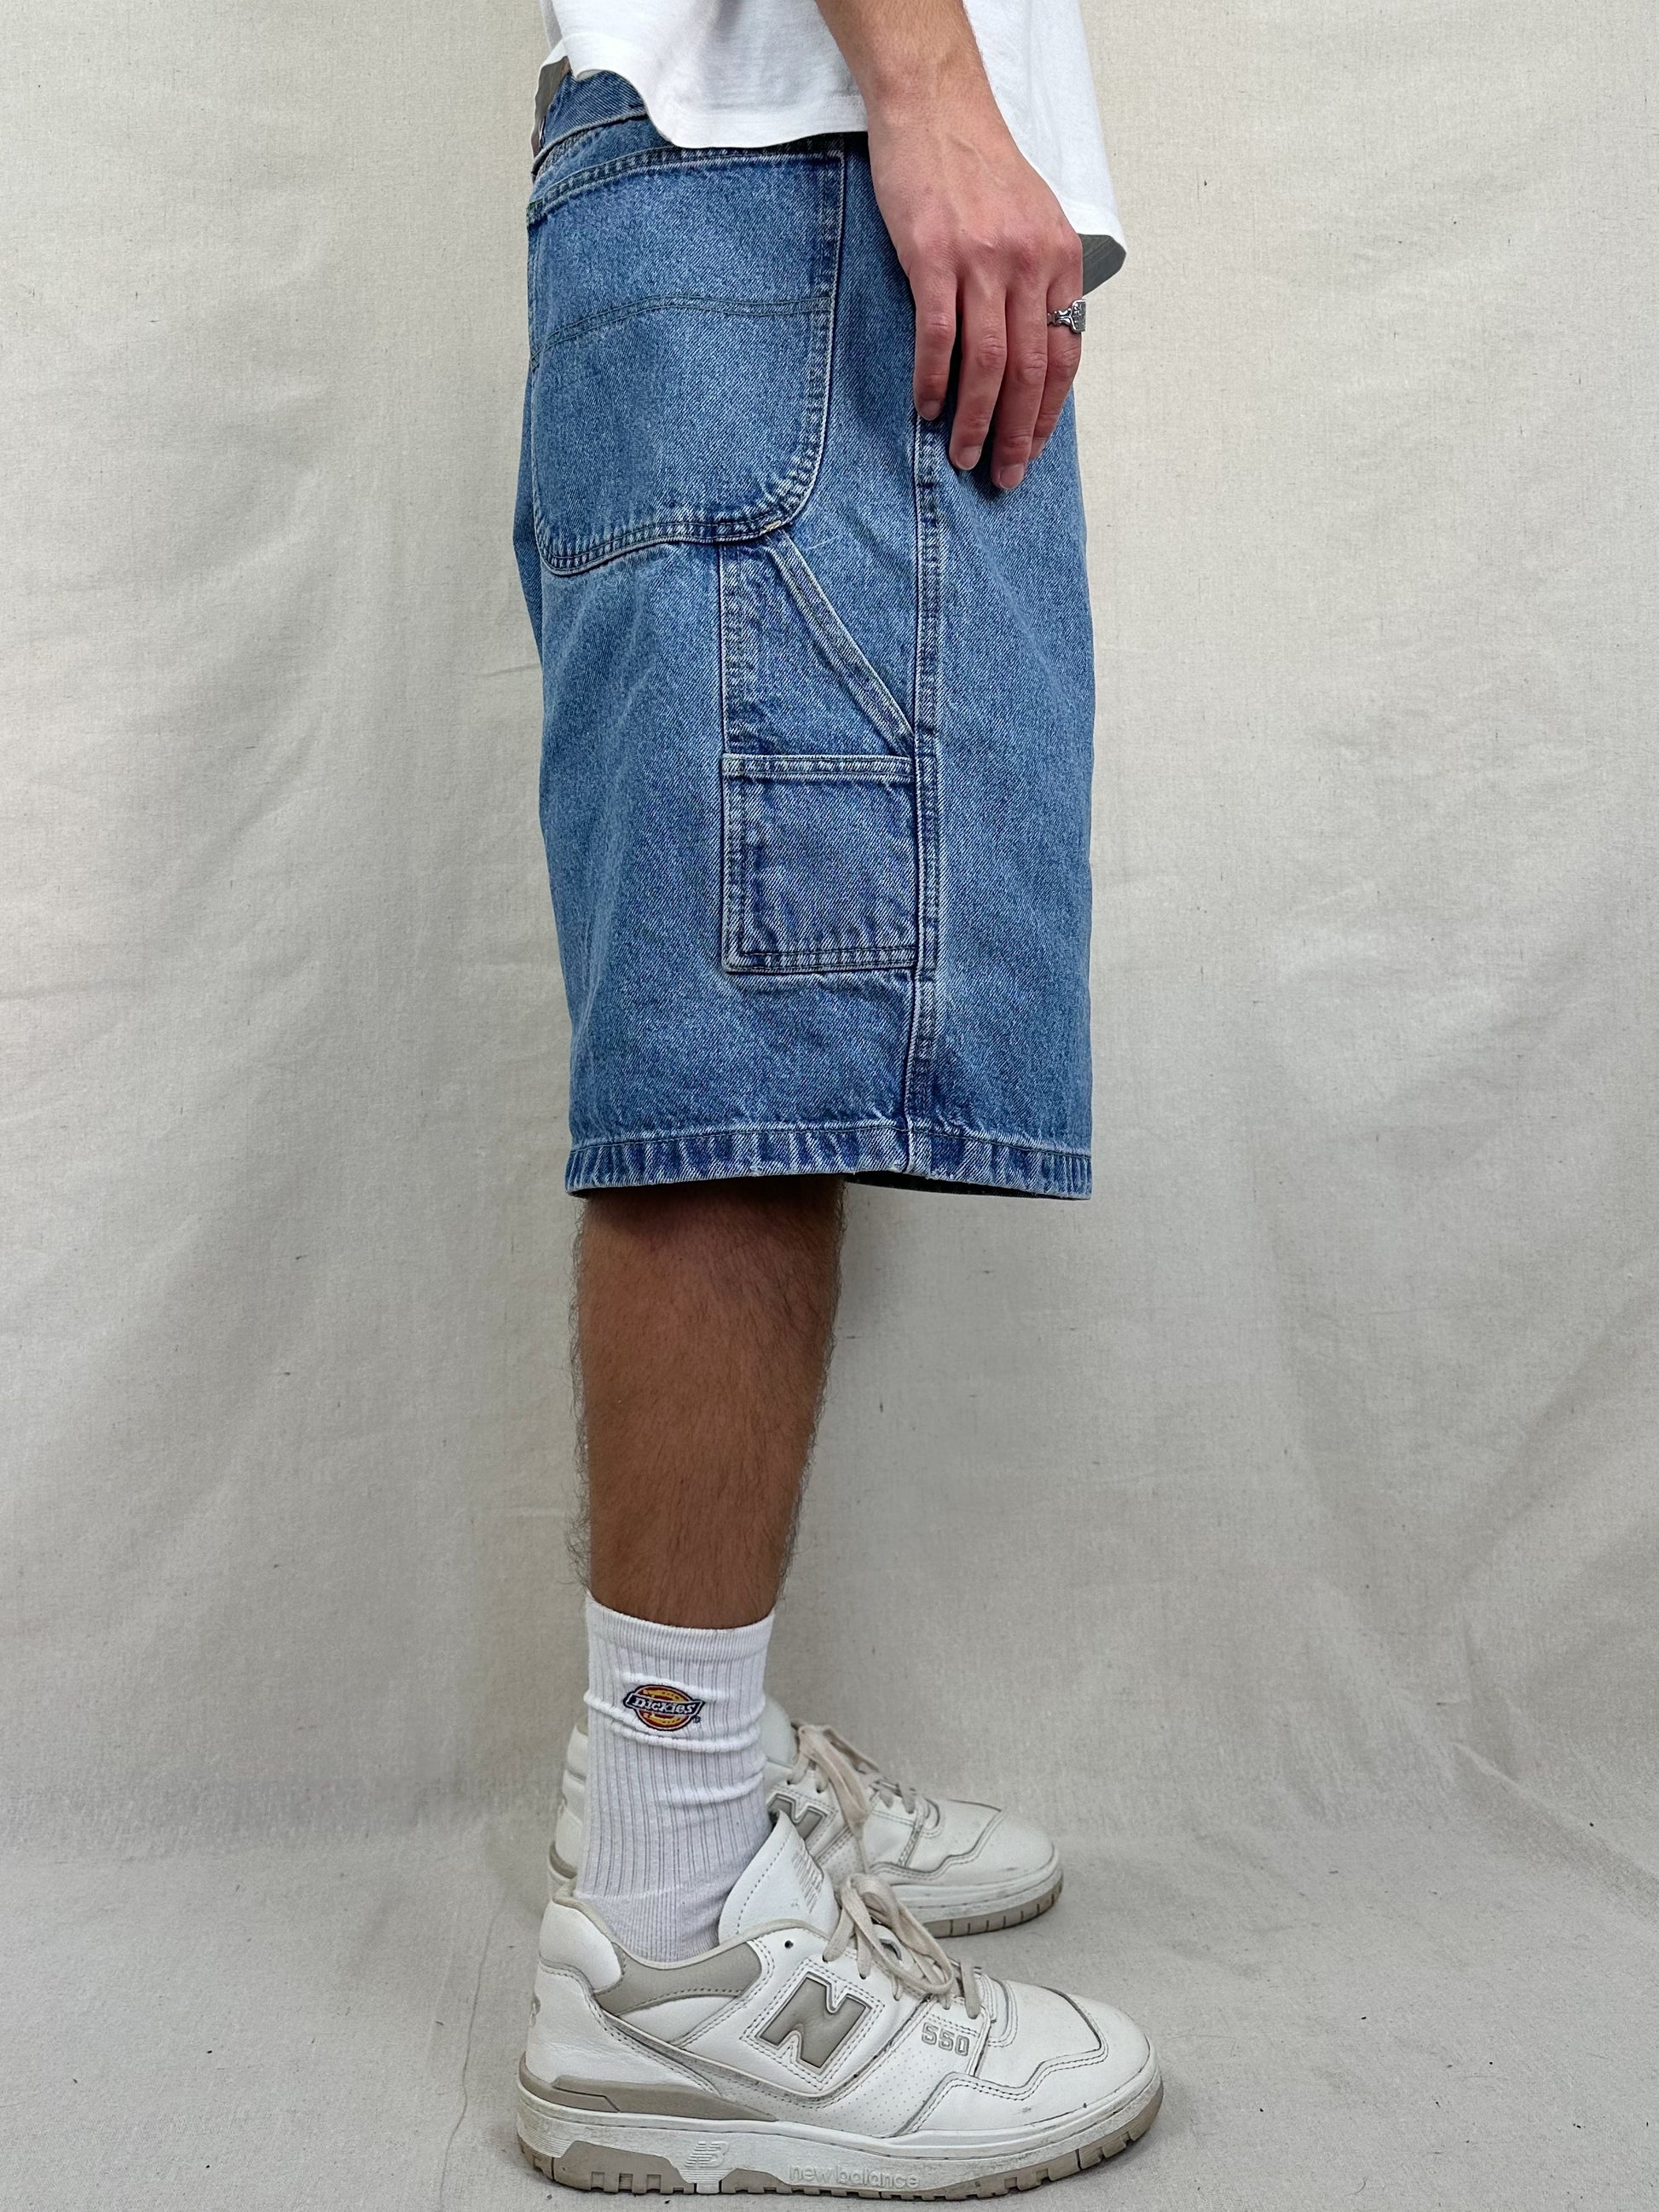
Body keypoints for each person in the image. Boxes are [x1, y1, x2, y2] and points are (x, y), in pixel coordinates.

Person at [509, 0, 1161, 2192]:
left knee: (786, 990)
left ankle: (681, 1791)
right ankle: (672, 1942)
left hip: (740, 192)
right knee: (742, 1061)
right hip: (779, 187)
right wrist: (926, 82)